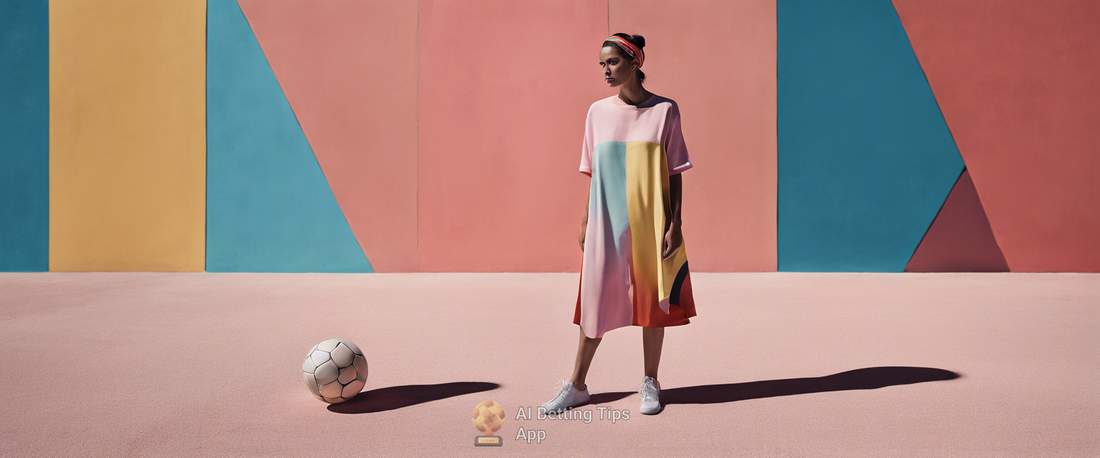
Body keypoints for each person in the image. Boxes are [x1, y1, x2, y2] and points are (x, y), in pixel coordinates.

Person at [541, 33, 697, 417]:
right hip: (606, 221)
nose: (605, 71)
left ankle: (649, 382)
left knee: (652, 301)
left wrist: (675, 223)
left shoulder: (665, 111)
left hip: (652, 219)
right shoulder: (597, 112)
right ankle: (577, 386)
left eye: (611, 62)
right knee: (595, 299)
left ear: (634, 63)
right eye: (601, 65)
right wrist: (585, 219)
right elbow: (595, 174)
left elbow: (675, 172)